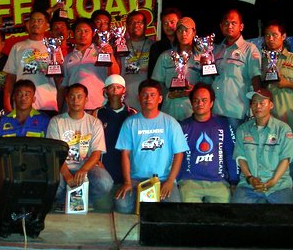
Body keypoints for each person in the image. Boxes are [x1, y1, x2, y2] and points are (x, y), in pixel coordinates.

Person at [114, 79, 189, 214]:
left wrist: (170, 181)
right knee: (122, 204)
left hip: (162, 179)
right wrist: (127, 182)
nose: (148, 98)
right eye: (144, 95)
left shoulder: (171, 123)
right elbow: (125, 154)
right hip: (136, 179)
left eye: (152, 95)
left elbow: (179, 154)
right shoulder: (130, 123)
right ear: (139, 98)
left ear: (160, 99)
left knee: (174, 209)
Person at [47, 83, 113, 211]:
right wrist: (67, 175)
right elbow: (55, 154)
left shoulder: (94, 123)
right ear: (67, 99)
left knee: (105, 182)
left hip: (86, 167)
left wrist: (83, 170)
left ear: (86, 99)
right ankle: (62, 201)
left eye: (79, 97)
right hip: (62, 167)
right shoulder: (56, 121)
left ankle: (86, 201)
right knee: (52, 183)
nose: (75, 100)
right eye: (72, 97)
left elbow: (96, 153)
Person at [232, 88, 293, 204]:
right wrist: (250, 178)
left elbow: (286, 158)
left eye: (262, 103)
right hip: (249, 186)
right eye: (254, 103)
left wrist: (273, 181)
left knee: (292, 212)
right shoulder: (243, 129)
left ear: (271, 105)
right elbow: (240, 157)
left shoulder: (283, 129)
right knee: (235, 210)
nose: (258, 106)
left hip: (278, 185)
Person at [178, 82, 238, 203]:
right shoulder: (183, 126)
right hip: (190, 182)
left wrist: (234, 181)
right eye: (196, 100)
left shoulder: (223, 124)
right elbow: (177, 157)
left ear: (211, 103)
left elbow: (230, 153)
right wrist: (176, 180)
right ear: (191, 103)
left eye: (204, 100)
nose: (200, 103)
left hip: (218, 182)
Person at [208, 9, 261, 131]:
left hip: (236, 112)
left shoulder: (249, 49)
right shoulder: (215, 50)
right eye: (226, 23)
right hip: (215, 110)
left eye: (233, 23)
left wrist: (256, 106)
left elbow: (256, 79)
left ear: (241, 27)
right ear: (221, 26)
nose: (229, 26)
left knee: (236, 143)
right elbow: (211, 78)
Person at [262, 20, 293, 138]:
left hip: (289, 120)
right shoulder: (262, 61)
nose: (270, 39)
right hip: (267, 120)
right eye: (267, 35)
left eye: (274, 35)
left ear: (283, 36)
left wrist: (286, 84)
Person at [3, 10, 60, 116]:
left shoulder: (54, 47)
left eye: (40, 21)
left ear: (47, 26)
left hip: (48, 103)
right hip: (23, 105)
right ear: (28, 24)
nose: (36, 23)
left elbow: (60, 80)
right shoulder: (17, 47)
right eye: (33, 20)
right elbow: (10, 79)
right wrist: (7, 103)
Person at [92, 74, 136, 210]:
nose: (115, 90)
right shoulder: (97, 113)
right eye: (111, 87)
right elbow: (91, 141)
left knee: (123, 207)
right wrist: (95, 160)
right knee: (104, 208)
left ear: (124, 91)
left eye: (118, 87)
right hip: (104, 171)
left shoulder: (132, 114)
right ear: (105, 91)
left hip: (125, 173)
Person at [58, 18, 120, 112]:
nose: (83, 34)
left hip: (99, 107)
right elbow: (63, 87)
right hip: (75, 109)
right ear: (73, 33)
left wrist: (110, 55)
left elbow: (115, 75)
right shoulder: (67, 58)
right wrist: (59, 110)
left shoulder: (102, 52)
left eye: (86, 31)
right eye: (79, 31)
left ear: (93, 33)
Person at [152, 17, 201, 121]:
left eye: (187, 30)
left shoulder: (202, 57)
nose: (183, 34)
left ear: (194, 32)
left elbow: (208, 82)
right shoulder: (165, 56)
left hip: (193, 111)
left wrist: (194, 91)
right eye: (180, 30)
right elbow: (157, 83)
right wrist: (168, 94)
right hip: (170, 110)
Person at [118, 10, 153, 112]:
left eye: (139, 22)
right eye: (132, 22)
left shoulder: (154, 46)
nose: (136, 25)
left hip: (148, 97)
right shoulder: (120, 46)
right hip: (126, 97)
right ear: (127, 26)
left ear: (145, 26)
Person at [148, 7, 182, 77]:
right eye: (165, 23)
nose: (169, 26)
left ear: (180, 23)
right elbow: (152, 74)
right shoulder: (156, 47)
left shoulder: (187, 44)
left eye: (172, 22)